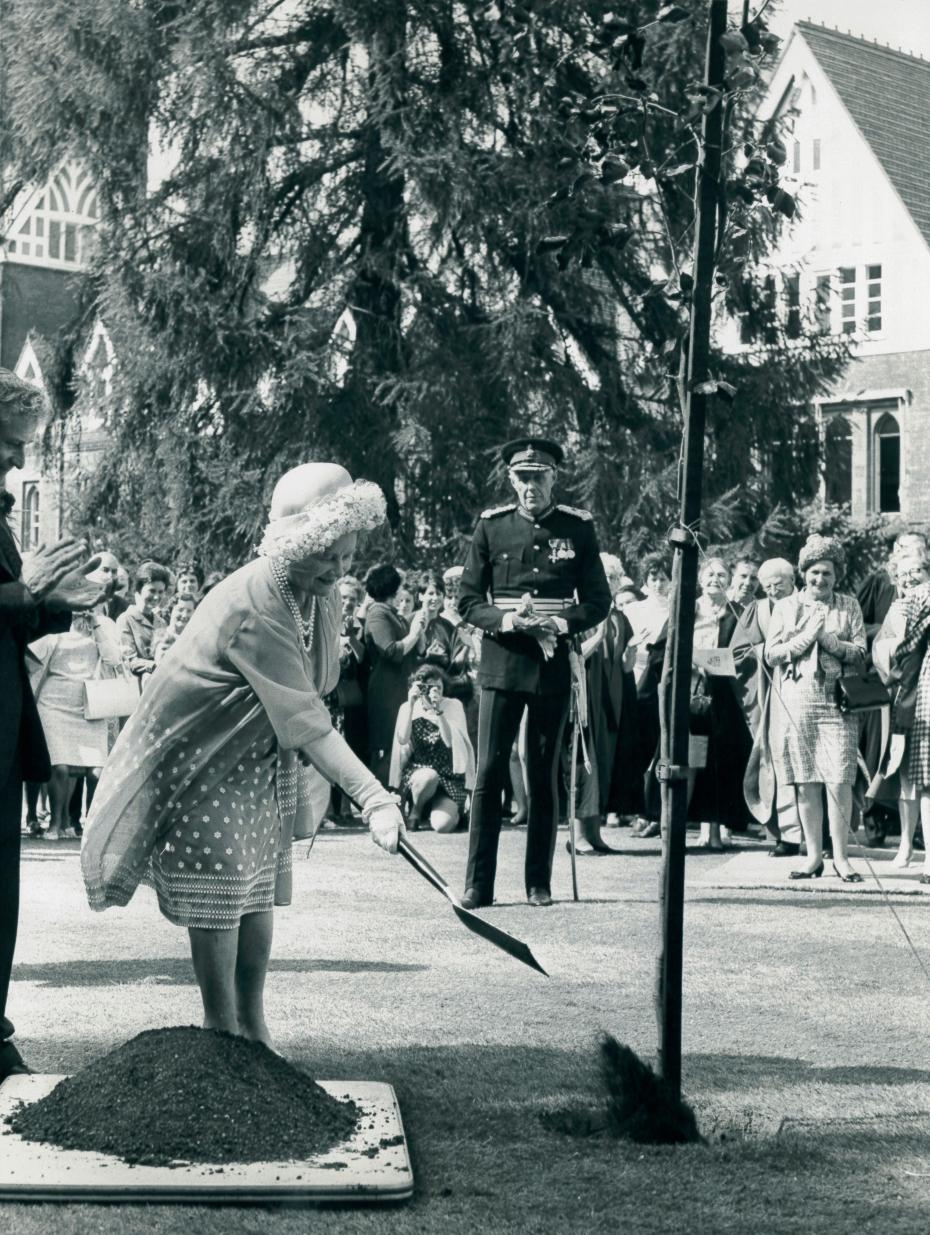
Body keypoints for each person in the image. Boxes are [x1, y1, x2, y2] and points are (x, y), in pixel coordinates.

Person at [82, 463, 405, 1046]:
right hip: (199, 760)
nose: (339, 571)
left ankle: (251, 1030)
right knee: (223, 878)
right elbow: (308, 722)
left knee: (256, 885)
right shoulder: (257, 600)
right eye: (328, 556)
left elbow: (316, 688)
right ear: (295, 542)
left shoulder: (313, 589)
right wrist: (374, 797)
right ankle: (221, 1031)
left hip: (253, 756)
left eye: (348, 558)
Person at [0, 367, 110, 1080]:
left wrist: (64, 598)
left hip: (6, 726)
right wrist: (29, 586)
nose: (18, 459)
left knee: (1, 893)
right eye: (11, 444)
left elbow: (15, 609)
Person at [457, 437, 611, 908]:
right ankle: (478, 884)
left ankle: (538, 883)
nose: (530, 487)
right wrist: (506, 620)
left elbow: (598, 601)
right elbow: (467, 600)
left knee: (543, 773)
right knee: (488, 772)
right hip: (503, 659)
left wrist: (560, 622)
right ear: (511, 481)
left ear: (553, 479)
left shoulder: (577, 529)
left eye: (538, 477)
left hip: (551, 662)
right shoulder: (490, 527)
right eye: (522, 478)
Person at [764, 535, 867, 882]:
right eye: (813, 572)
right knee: (806, 779)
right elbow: (771, 654)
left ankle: (841, 857)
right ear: (803, 572)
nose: (819, 579)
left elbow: (861, 653)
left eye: (827, 573)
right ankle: (812, 857)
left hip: (839, 702)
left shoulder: (849, 605)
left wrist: (830, 642)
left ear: (837, 576)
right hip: (799, 700)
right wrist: (806, 638)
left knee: (839, 779)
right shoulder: (786, 607)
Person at [27, 608, 122, 840]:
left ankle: (88, 826)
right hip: (54, 707)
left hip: (90, 707)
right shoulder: (54, 638)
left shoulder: (102, 634)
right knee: (59, 766)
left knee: (96, 771)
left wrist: (96, 624)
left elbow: (114, 659)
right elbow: (27, 659)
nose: (82, 617)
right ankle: (55, 823)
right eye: (78, 613)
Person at [734, 557, 804, 856]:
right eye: (768, 586)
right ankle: (785, 835)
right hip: (771, 697)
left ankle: (821, 836)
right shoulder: (758, 610)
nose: (774, 590)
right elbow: (738, 653)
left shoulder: (809, 603)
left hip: (808, 694)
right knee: (776, 762)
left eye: (780, 584)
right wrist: (766, 650)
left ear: (793, 582)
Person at [568, 552, 632, 855]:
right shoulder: (582, 612)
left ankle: (594, 835)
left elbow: (623, 664)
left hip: (611, 700)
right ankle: (577, 835)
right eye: (605, 576)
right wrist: (598, 637)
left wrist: (630, 655)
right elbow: (574, 653)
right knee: (584, 764)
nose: (610, 581)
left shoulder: (620, 616)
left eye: (615, 577)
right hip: (585, 699)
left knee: (603, 765)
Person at [686, 558, 753, 850]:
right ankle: (694, 828)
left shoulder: (737, 612)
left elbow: (743, 653)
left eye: (722, 574)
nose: (716, 579)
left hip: (724, 697)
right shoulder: (688, 609)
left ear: (729, 580)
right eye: (710, 574)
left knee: (719, 763)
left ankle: (715, 830)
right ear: (701, 578)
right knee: (692, 760)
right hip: (691, 695)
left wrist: (714, 662)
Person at [390, 665, 475, 832]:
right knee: (429, 777)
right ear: (419, 688)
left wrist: (438, 711)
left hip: (448, 777)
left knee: (443, 826)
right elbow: (402, 739)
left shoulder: (453, 705)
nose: (434, 692)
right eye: (429, 688)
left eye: (439, 687)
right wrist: (411, 704)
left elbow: (449, 742)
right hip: (421, 774)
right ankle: (417, 810)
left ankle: (448, 813)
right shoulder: (407, 708)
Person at [116, 561, 170, 682]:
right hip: (136, 686)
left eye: (160, 592)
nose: (156, 597)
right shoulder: (126, 619)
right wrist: (155, 666)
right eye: (152, 591)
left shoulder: (161, 623)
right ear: (139, 590)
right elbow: (128, 661)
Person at [154, 593, 198, 664]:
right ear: (171, 610)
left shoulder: (195, 641)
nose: (184, 615)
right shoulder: (159, 636)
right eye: (180, 610)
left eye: (189, 611)